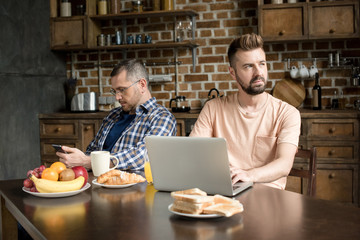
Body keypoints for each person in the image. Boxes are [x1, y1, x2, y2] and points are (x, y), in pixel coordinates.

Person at [190, 33, 301, 189]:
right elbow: (193, 153)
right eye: (248, 66)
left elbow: (284, 165)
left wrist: (248, 175)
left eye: (262, 64)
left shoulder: (287, 113)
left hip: (268, 198)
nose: (258, 73)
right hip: (225, 194)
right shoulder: (213, 108)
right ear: (233, 73)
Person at [57, 59, 177, 171]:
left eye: (122, 89)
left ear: (142, 85)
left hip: (134, 189)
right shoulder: (113, 115)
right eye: (114, 91)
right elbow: (93, 151)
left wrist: (88, 162)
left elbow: (145, 156)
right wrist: (78, 159)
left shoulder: (162, 117)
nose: (117, 97)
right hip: (98, 183)